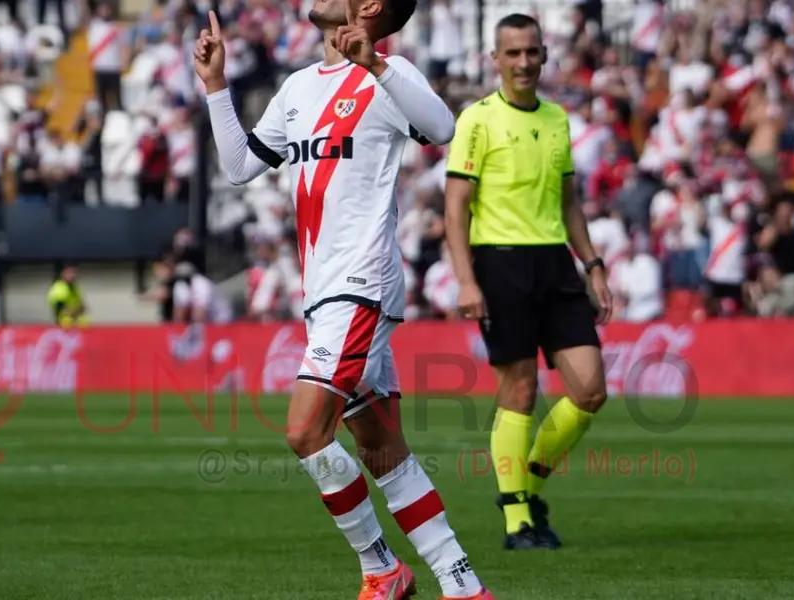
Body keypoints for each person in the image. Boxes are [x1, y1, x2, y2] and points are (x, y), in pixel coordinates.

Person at [196, 3, 491, 599]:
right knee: (384, 453)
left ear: (369, 6)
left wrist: (376, 66)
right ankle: (464, 585)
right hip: (322, 292)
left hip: (360, 283)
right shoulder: (300, 87)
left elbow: (443, 129)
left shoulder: (390, 73)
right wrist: (215, 86)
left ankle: (381, 567)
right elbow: (239, 165)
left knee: (306, 432)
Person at [443, 13, 612, 551]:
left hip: (556, 264)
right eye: (512, 53)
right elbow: (455, 209)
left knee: (590, 390)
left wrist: (593, 265)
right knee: (519, 391)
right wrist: (466, 281)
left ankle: (529, 484)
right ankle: (517, 520)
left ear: (543, 55)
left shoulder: (558, 119)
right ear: (495, 59)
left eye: (531, 53)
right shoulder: (477, 120)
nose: (522, 63)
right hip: (500, 263)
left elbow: (568, 202)